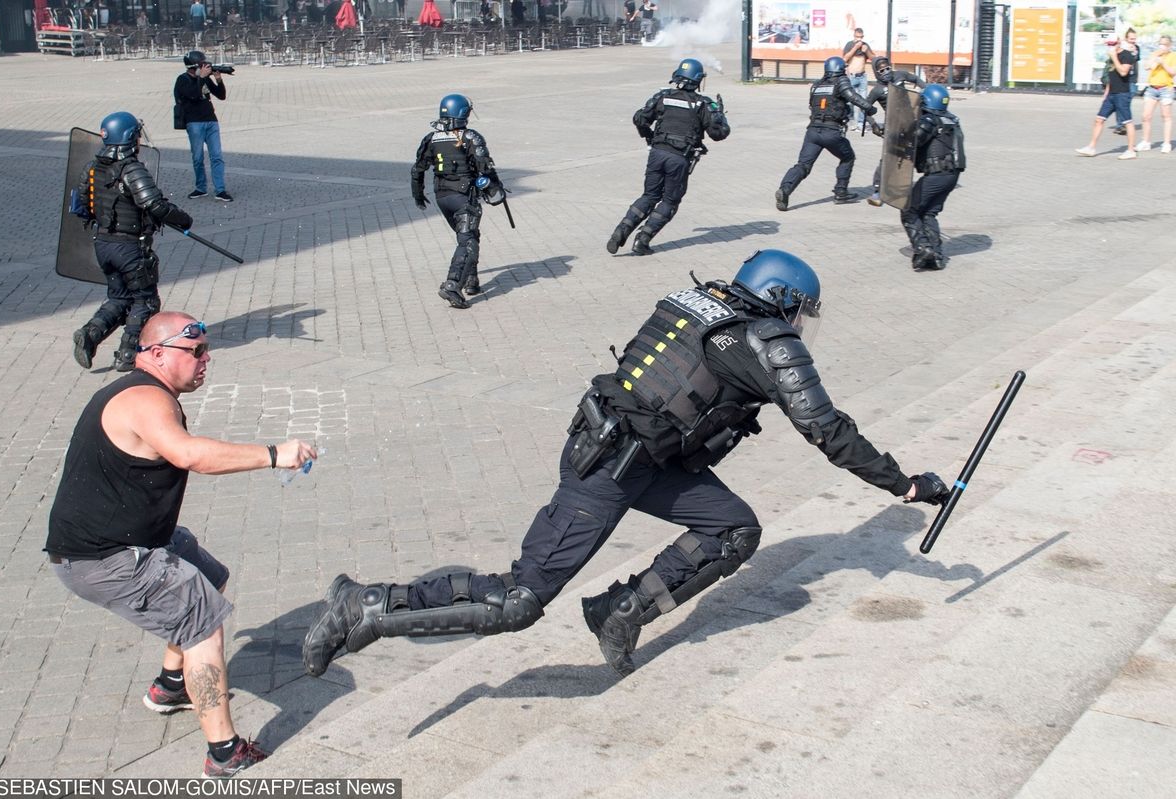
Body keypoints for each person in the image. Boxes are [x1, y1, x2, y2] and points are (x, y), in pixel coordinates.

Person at [302, 249, 949, 680]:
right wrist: (906, 482)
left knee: (733, 527)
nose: (800, 326)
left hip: (642, 449)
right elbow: (826, 429)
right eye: (798, 311)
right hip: (610, 463)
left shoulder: (699, 301)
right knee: (519, 599)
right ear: (780, 299)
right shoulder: (766, 340)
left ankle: (620, 611)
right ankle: (367, 606)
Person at [49, 311, 317, 777]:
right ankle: (225, 754)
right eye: (195, 352)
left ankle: (171, 686)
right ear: (156, 354)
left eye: (206, 350)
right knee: (201, 620)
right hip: (104, 557)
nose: (206, 359)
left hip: (132, 539)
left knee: (210, 578)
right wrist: (275, 455)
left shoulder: (145, 390)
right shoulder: (145, 401)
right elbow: (191, 456)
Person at [73, 112, 193, 372]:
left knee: (119, 297)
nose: (139, 140)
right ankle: (127, 354)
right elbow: (153, 203)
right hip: (129, 248)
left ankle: (90, 334)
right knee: (145, 300)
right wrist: (183, 219)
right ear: (129, 138)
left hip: (103, 244)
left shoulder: (92, 168)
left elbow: (82, 205)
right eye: (136, 136)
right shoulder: (131, 169)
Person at [606, 58, 730, 256]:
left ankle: (621, 231)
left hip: (656, 154)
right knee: (670, 201)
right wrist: (720, 115)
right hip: (679, 158)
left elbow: (639, 118)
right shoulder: (703, 104)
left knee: (649, 195)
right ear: (697, 80)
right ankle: (642, 240)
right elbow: (719, 134)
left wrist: (649, 136)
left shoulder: (663, 96)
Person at [411, 94, 504, 309]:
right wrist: (496, 191)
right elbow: (486, 169)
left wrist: (418, 194)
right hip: (464, 197)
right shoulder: (472, 137)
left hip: (442, 197)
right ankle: (453, 284)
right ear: (463, 114)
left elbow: (417, 169)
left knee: (469, 236)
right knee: (468, 241)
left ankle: (471, 281)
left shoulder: (431, 138)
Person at [775, 56, 880, 210]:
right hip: (831, 132)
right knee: (848, 157)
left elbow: (812, 105)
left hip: (812, 132)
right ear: (839, 69)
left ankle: (785, 190)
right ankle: (841, 192)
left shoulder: (817, 85)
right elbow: (852, 96)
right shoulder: (840, 81)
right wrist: (869, 108)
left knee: (803, 165)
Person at [900, 84, 965, 271]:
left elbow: (912, 140)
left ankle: (923, 248)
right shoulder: (952, 119)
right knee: (928, 212)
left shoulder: (930, 119)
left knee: (909, 210)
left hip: (937, 174)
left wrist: (891, 134)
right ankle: (936, 256)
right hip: (952, 175)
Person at [864, 55, 923, 207]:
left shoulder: (900, 75)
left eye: (888, 68)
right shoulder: (877, 90)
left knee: (916, 153)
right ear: (877, 73)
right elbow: (865, 109)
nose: (886, 72)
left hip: (911, 122)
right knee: (888, 158)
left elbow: (916, 79)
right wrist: (874, 125)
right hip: (893, 126)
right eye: (881, 70)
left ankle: (919, 188)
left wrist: (926, 89)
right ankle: (877, 190)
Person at [175, 50, 232, 202]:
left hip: (211, 121)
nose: (204, 67)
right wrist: (201, 78)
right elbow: (193, 94)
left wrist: (219, 80)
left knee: (217, 157)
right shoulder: (182, 80)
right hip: (194, 123)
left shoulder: (205, 79)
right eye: (201, 65)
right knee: (198, 157)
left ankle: (220, 190)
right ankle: (201, 188)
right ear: (193, 66)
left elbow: (221, 95)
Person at [1076, 30, 1139, 159]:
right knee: (1099, 119)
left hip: (1122, 94)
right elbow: (1111, 76)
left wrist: (1114, 57)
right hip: (1111, 94)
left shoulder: (1127, 56)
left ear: (1119, 42)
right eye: (1109, 44)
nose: (1111, 46)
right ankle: (1091, 147)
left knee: (1127, 122)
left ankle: (1131, 150)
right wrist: (1106, 93)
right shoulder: (1110, 57)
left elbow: (1123, 72)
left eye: (1113, 43)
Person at [1137, 35, 1176, 153]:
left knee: (1166, 116)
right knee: (1146, 116)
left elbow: (1173, 72)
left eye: (1164, 44)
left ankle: (1166, 143)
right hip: (1152, 88)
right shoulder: (1154, 54)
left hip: (1166, 89)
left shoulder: (1173, 56)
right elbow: (1147, 67)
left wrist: (1163, 62)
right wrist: (1154, 58)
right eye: (1160, 44)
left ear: (1169, 46)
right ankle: (1146, 142)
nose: (1162, 46)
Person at [842, 27, 873, 130]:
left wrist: (867, 51)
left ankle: (860, 123)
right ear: (854, 36)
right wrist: (855, 48)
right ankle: (850, 122)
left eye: (860, 37)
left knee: (863, 101)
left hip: (862, 77)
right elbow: (845, 58)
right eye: (857, 37)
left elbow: (873, 58)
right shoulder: (850, 45)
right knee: (850, 100)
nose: (859, 39)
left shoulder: (865, 45)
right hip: (852, 77)